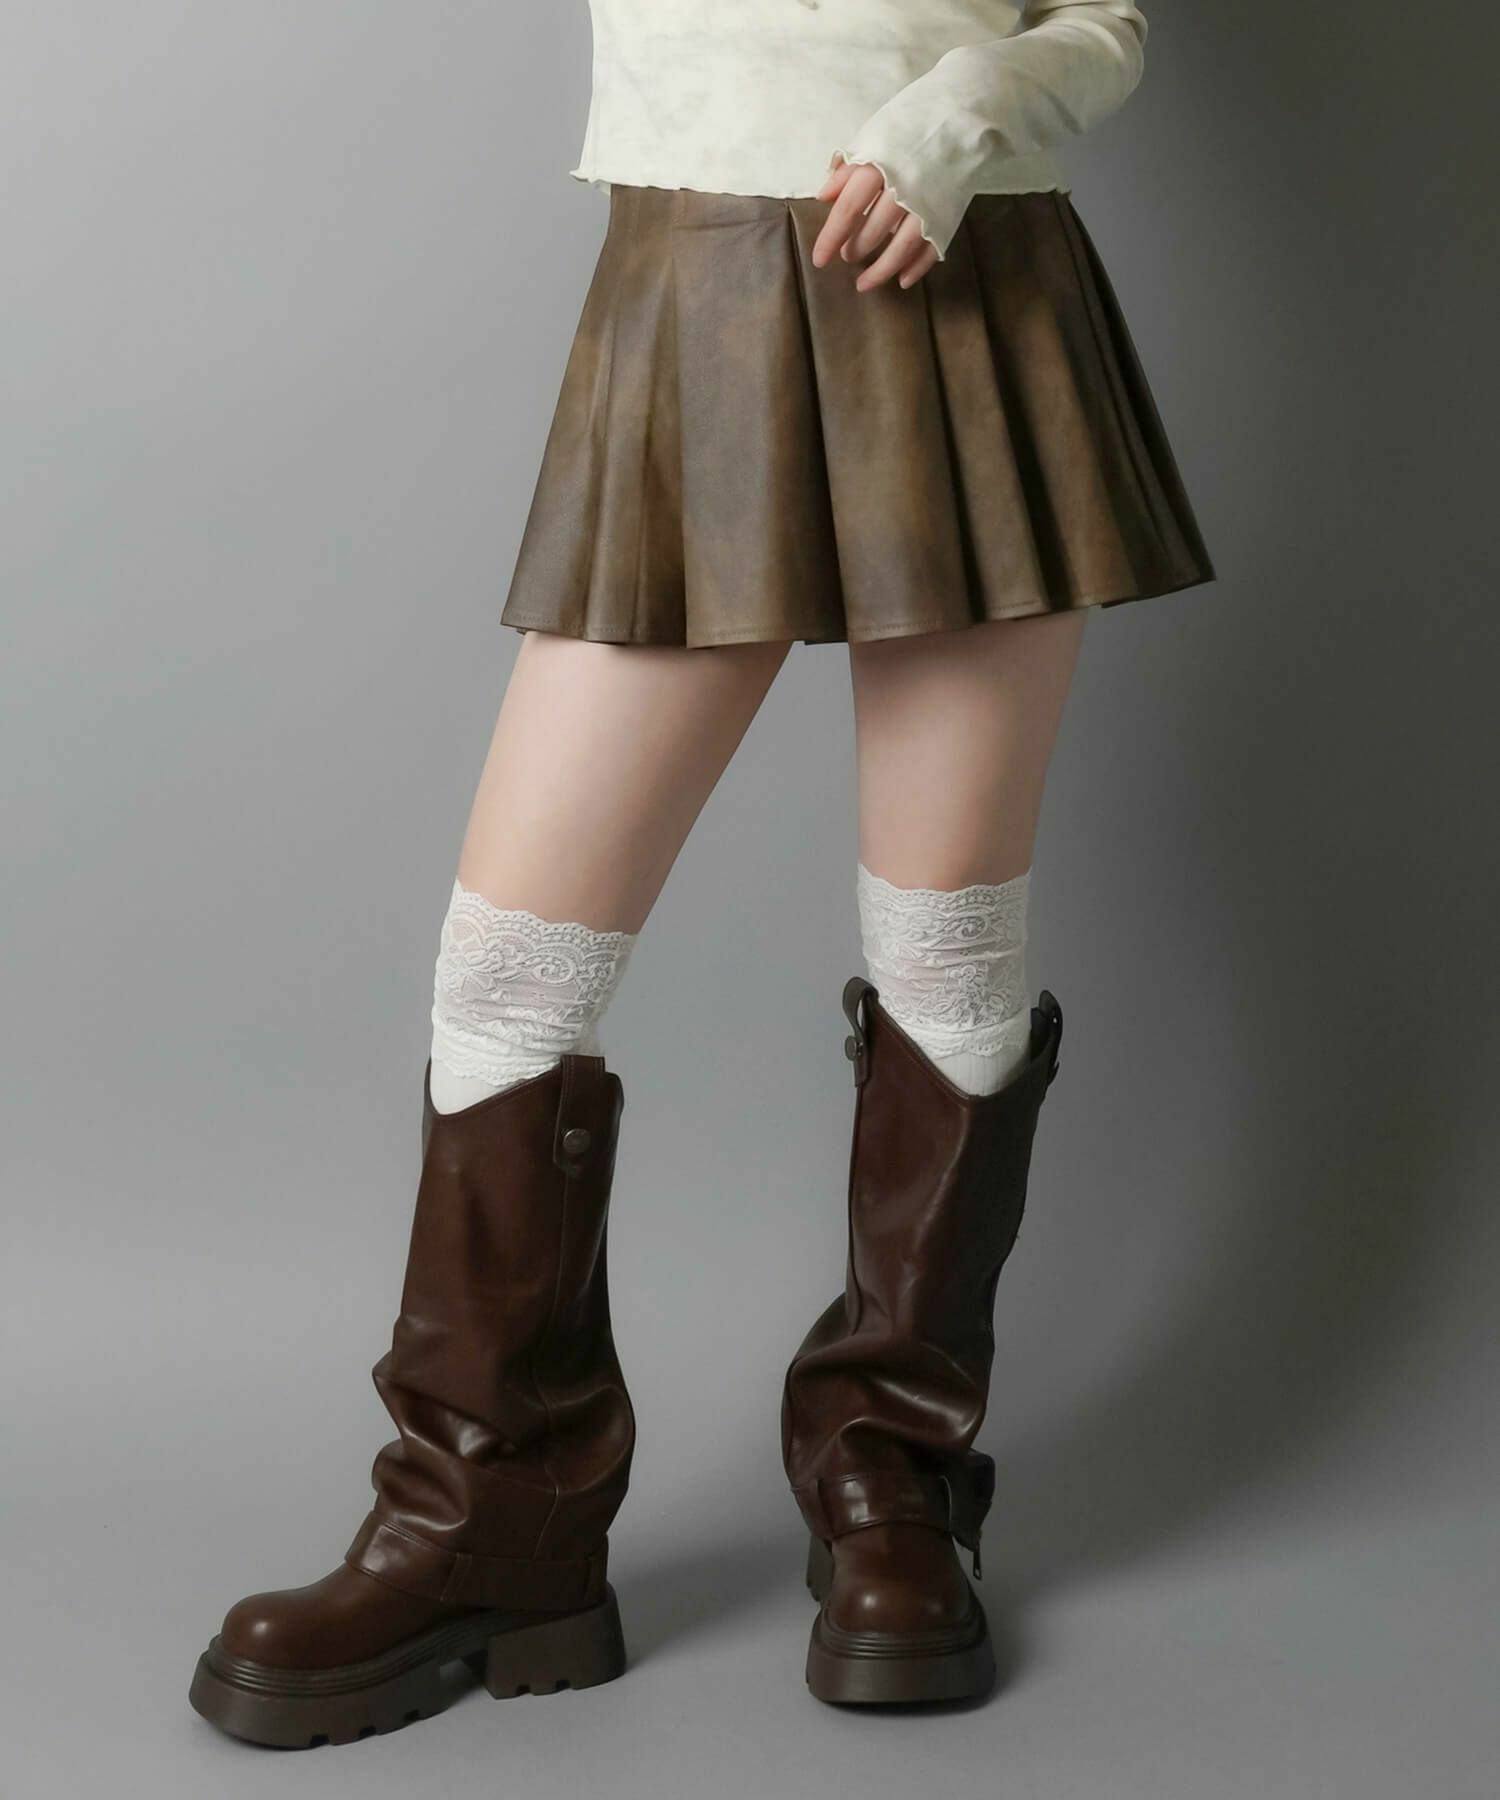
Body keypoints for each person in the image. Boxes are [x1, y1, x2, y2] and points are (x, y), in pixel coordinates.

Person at [188, 0, 1216, 1745]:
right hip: (702, 279)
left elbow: (1101, 20)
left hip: (967, 266)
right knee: (511, 977)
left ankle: (893, 1478)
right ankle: (489, 1516)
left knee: (953, 958)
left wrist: (957, 116)